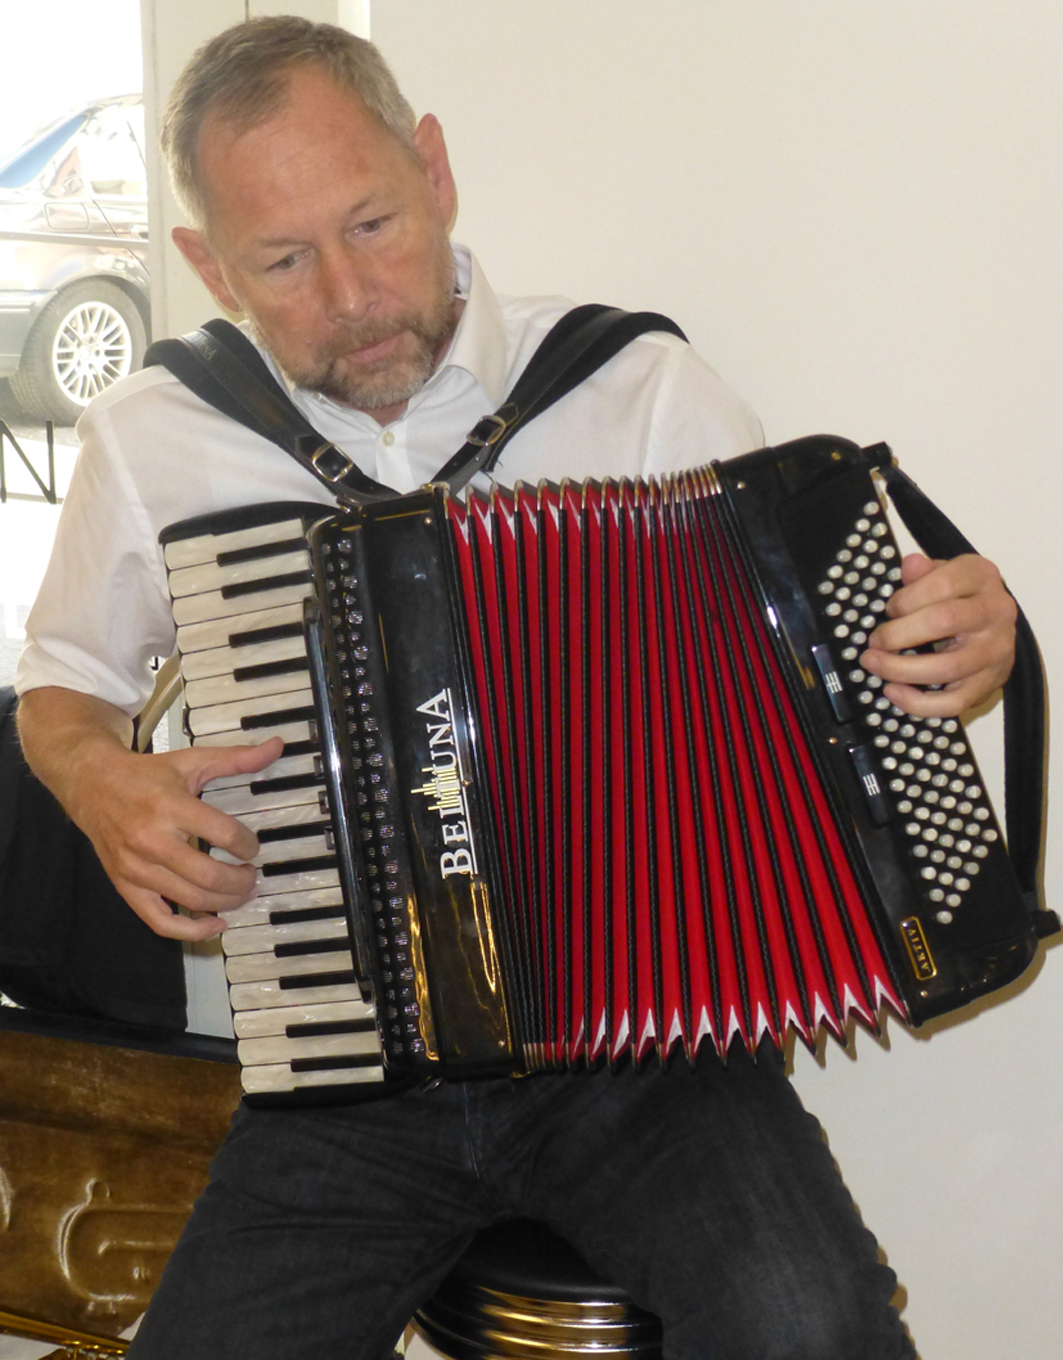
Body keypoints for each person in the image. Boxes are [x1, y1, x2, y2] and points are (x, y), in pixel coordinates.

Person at [14, 17, 1016, 1360]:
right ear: (207, 266)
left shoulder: (637, 391)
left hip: (654, 1066)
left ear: (434, 170)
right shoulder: (157, 438)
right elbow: (64, 681)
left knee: (815, 1328)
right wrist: (100, 782)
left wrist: (953, 641)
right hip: (347, 1071)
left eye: (373, 223)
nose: (351, 296)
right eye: (284, 262)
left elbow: (829, 676)